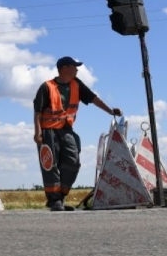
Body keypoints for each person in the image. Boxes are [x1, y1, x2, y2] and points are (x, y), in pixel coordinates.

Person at [33, 56, 122, 211]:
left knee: (73, 163)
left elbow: (94, 99)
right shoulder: (47, 86)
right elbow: (38, 112)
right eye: (74, 67)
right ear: (65, 68)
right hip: (48, 131)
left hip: (67, 130)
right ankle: (54, 201)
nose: (77, 70)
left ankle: (60, 196)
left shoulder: (77, 85)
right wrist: (38, 133)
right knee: (50, 166)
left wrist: (110, 111)